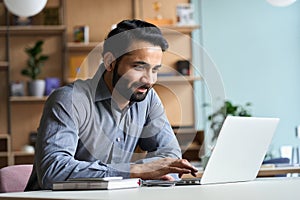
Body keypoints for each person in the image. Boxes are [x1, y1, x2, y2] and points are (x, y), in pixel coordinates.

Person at [25, 19, 198, 190]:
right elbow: (54, 171)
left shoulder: (148, 98)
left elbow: (170, 156)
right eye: (139, 67)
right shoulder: (69, 100)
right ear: (110, 62)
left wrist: (150, 172)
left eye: (155, 70)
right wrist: (135, 170)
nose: (149, 80)